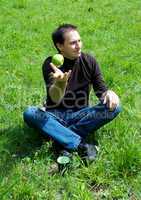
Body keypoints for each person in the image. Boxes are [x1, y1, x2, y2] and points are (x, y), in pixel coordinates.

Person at [23, 24, 121, 161]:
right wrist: (61, 83)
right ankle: (80, 144)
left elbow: (101, 91)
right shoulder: (51, 64)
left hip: (81, 114)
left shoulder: (89, 61)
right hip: (55, 114)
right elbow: (55, 99)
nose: (79, 46)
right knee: (30, 113)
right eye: (73, 43)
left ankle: (60, 138)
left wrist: (109, 93)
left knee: (115, 106)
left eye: (79, 41)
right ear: (60, 46)